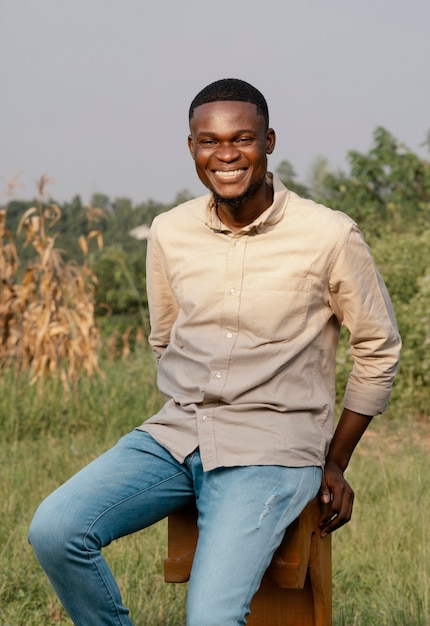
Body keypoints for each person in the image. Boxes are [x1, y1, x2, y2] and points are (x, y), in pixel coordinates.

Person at [29, 78, 401, 626]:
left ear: (269, 142)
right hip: (176, 435)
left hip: (274, 448)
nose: (225, 154)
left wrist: (336, 460)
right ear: (192, 147)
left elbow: (378, 348)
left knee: (210, 617)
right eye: (209, 141)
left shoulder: (329, 234)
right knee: (56, 531)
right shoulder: (169, 231)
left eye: (242, 138)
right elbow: (166, 338)